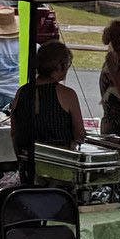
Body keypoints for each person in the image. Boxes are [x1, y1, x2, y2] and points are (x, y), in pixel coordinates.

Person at [12, 41, 84, 169]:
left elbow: (15, 132)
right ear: (60, 66)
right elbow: (79, 134)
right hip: (59, 163)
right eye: (67, 64)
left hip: (28, 162)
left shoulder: (21, 92)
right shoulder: (67, 94)